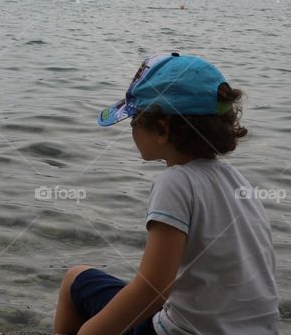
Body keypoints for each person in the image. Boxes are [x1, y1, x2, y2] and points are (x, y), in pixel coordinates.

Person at [53, 52, 279, 335]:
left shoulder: (174, 182)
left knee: (74, 280)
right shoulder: (237, 180)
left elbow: (153, 290)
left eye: (134, 119)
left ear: (161, 129)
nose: (131, 128)